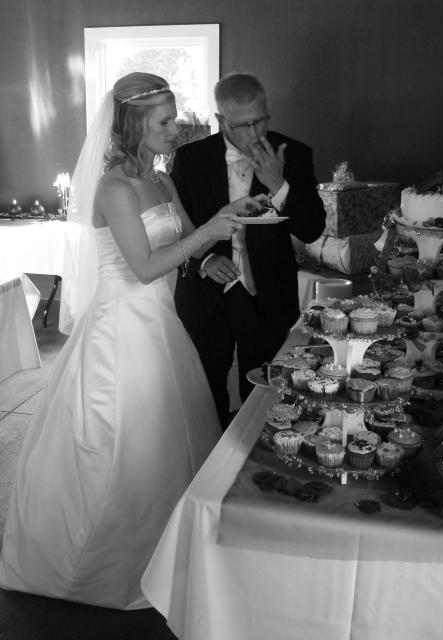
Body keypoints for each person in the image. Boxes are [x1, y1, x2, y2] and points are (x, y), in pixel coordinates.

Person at [0, 73, 265, 609]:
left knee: (166, 438)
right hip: (121, 327)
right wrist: (209, 232)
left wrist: (222, 231)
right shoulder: (114, 188)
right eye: (164, 121)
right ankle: (101, 565)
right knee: (122, 443)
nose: (175, 128)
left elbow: (189, 242)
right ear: (134, 124)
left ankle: (167, 551)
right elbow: (144, 267)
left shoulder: (161, 180)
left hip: (161, 325)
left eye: (174, 117)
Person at [171, 72, 326, 428]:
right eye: (243, 125)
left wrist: (279, 184)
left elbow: (312, 229)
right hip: (207, 295)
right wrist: (205, 260)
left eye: (261, 120)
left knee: (265, 392)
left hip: (267, 293)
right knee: (206, 388)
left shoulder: (293, 154)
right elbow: (177, 228)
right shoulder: (191, 159)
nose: (255, 133)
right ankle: (212, 456)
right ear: (221, 120)